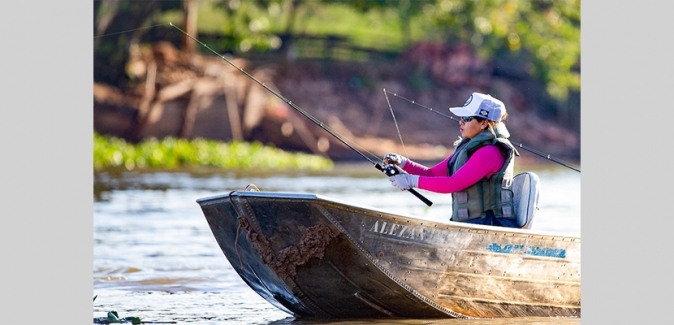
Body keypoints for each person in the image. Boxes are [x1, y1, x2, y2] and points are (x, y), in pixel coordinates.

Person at [385, 92, 521, 227]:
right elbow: (431, 174)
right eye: (461, 117)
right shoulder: (469, 148)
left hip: (491, 225)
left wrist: (410, 181)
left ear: (484, 123)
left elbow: (453, 184)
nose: (460, 121)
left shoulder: (490, 152)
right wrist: (403, 162)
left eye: (467, 118)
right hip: (473, 226)